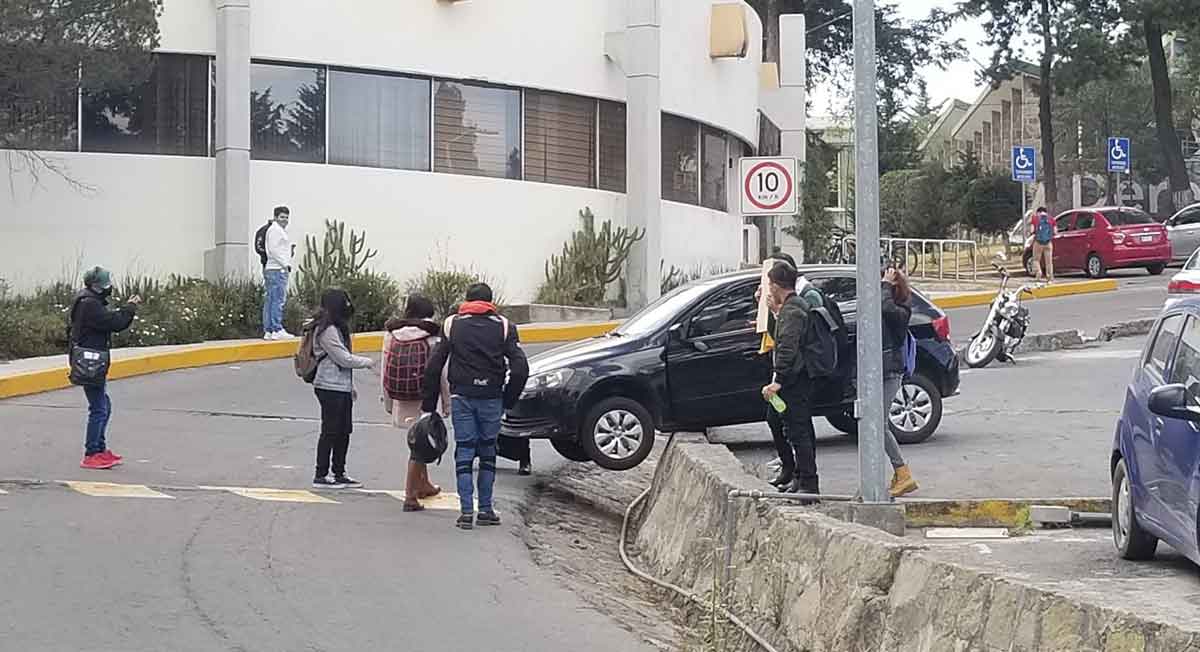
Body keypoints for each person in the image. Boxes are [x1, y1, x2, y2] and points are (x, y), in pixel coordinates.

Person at [421, 283, 529, 530]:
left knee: (465, 451)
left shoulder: (452, 325)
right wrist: (508, 400)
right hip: (492, 397)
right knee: (488, 452)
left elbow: (433, 366)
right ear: (491, 302)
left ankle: (466, 512)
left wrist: (430, 406)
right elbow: (521, 369)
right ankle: (487, 509)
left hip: (462, 397)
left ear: (467, 300)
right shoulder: (504, 327)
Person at [381, 295, 449, 511]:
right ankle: (410, 496)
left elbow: (385, 367)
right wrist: (447, 403)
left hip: (401, 394)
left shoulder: (391, 333)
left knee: (417, 439)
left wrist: (388, 401)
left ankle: (424, 485)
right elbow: (442, 372)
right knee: (419, 445)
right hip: (424, 396)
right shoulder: (432, 336)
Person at [71, 267, 142, 470]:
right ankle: (91, 453)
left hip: (92, 360)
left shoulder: (88, 301)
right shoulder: (89, 304)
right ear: (96, 285)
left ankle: (100, 449)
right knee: (99, 408)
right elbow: (115, 322)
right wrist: (129, 307)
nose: (108, 287)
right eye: (106, 283)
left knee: (104, 405)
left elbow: (108, 318)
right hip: (90, 363)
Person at [761, 262, 820, 499]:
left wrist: (778, 381)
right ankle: (796, 474)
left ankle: (808, 482)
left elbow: (786, 348)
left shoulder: (793, 311)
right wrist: (775, 312)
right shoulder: (789, 308)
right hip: (794, 380)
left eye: (770, 285)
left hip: (794, 382)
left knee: (798, 429)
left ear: (775, 285)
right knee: (779, 419)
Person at [311, 288, 375, 489]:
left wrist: (350, 386)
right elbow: (342, 358)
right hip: (328, 386)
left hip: (340, 386)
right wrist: (368, 362)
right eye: (345, 302)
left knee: (343, 430)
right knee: (330, 430)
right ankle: (321, 475)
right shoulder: (327, 330)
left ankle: (339, 472)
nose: (348, 306)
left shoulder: (336, 327)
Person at [881, 265, 920, 497]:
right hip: (881, 369)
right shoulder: (890, 304)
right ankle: (899, 473)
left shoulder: (901, 310)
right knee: (873, 423)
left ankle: (902, 471)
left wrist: (886, 285)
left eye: (885, 285)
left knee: (879, 425)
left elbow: (887, 309)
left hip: (890, 370)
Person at [263, 206, 295, 340]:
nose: (285, 220)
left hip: (273, 268)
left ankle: (269, 330)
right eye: (282, 217)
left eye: (287, 217)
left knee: (270, 300)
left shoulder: (275, 230)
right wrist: (285, 264)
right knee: (278, 300)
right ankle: (277, 328)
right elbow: (273, 250)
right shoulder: (276, 231)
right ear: (275, 217)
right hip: (277, 269)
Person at [1030, 206, 1055, 283]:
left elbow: (1032, 230)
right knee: (1049, 262)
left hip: (1038, 242)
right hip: (1048, 243)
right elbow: (1055, 231)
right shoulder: (1051, 219)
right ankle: (1049, 278)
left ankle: (1039, 273)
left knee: (1036, 260)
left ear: (1038, 212)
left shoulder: (1035, 218)